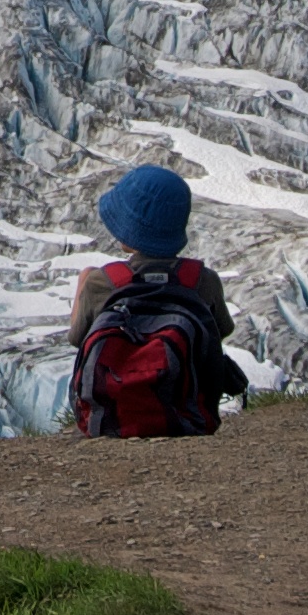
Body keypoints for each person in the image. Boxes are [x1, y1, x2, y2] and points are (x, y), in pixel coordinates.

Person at [67, 165, 248, 435]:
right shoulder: (202, 279)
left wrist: (84, 284)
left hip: (110, 421)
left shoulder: (102, 282)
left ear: (128, 230)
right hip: (189, 419)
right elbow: (221, 331)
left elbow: (76, 338)